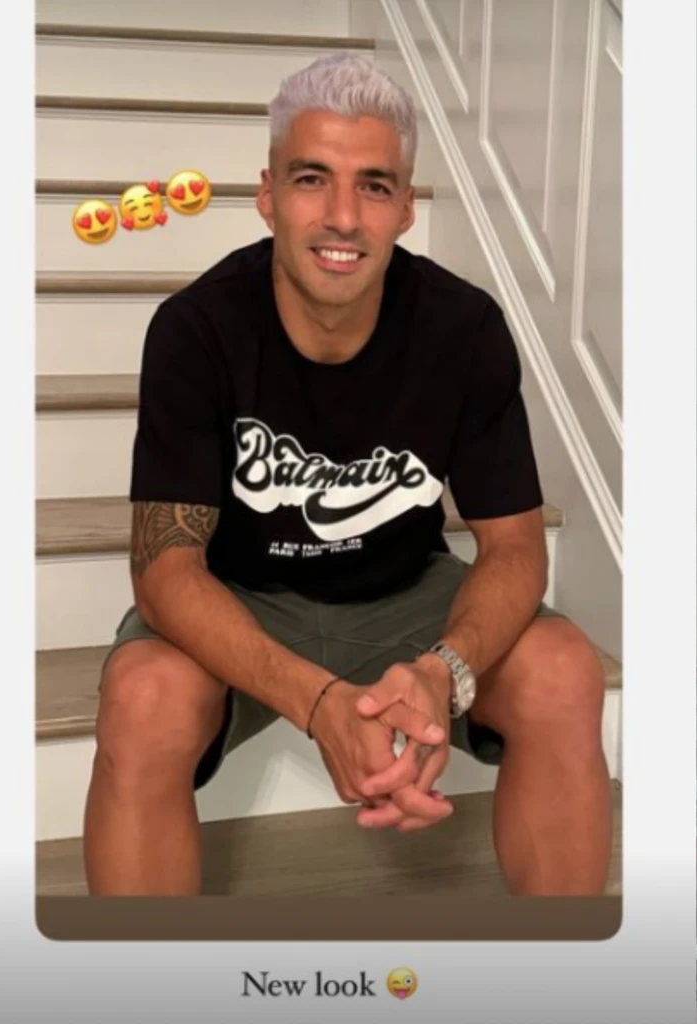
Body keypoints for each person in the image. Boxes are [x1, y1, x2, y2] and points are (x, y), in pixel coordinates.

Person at [82, 52, 612, 897]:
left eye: (373, 185)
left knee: (564, 670)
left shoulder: (464, 329)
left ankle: (568, 961)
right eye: (311, 179)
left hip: (405, 594)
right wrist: (320, 701)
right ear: (267, 195)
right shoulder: (196, 328)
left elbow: (515, 546)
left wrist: (441, 674)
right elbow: (165, 568)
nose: (342, 217)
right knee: (144, 697)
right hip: (242, 596)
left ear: (405, 207)